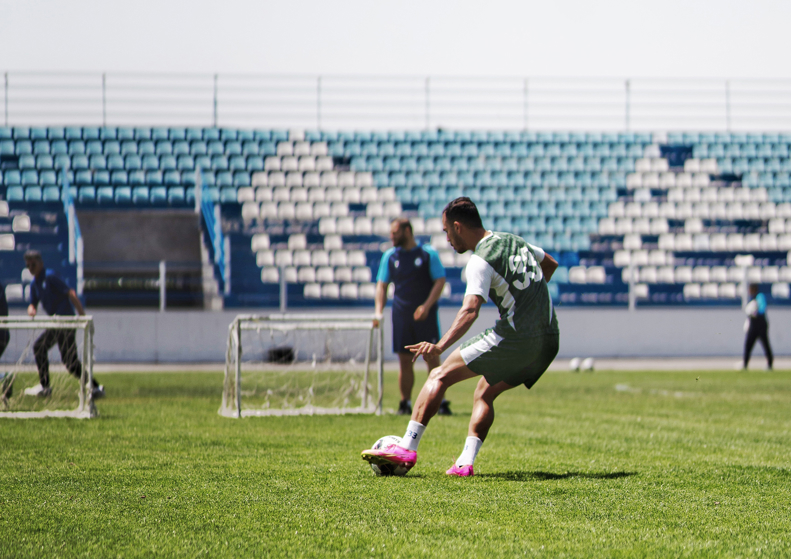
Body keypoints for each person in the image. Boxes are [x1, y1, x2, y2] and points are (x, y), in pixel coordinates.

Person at [362, 197, 559, 477]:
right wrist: (531, 301)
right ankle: (464, 463)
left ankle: (406, 447)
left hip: (518, 338)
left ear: (457, 226)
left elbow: (470, 311)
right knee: (484, 392)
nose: (447, 238)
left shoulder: (480, 260)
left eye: (446, 231)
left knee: (439, 375)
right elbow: (549, 264)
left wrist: (438, 345)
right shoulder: (515, 241)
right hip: (550, 339)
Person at [374, 218, 451, 415]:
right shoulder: (390, 257)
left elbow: (440, 280)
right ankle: (405, 403)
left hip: (426, 316)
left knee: (432, 358)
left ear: (407, 231)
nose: (392, 237)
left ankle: (439, 401)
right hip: (401, 316)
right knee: (404, 361)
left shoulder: (427, 254)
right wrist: (378, 311)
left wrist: (426, 306)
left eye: (395, 233)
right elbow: (382, 286)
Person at [21, 250, 104, 398]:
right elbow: (32, 303)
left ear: (40, 263)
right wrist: (31, 309)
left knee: (41, 348)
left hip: (65, 321)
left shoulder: (51, 276)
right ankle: (94, 386)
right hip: (56, 323)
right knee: (69, 362)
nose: (31, 268)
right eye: (28, 266)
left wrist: (82, 317)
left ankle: (46, 386)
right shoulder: (34, 284)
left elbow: (70, 293)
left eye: (33, 264)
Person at [743, 283, 773, 370]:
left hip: (761, 325)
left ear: (753, 289)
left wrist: (755, 311)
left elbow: (762, 309)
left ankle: (770, 364)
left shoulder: (759, 296)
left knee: (765, 344)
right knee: (748, 344)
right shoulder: (751, 299)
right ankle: (745, 364)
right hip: (753, 326)